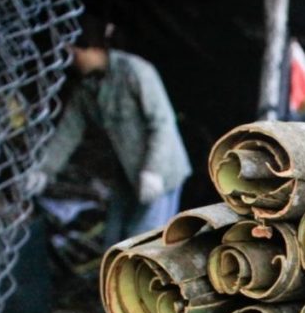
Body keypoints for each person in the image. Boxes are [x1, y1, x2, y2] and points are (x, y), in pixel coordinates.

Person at [29, 14, 191, 244]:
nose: (71, 60)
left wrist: (153, 170)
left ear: (89, 48)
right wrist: (43, 170)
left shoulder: (135, 72)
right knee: (115, 241)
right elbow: (67, 134)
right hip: (127, 173)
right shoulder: (86, 89)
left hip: (160, 174)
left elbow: (163, 123)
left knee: (145, 241)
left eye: (73, 53)